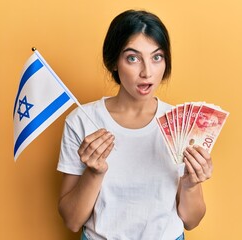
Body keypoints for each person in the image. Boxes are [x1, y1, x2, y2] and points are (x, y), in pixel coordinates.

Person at [57, 9, 213, 240]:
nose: (147, 72)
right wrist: (93, 172)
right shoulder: (81, 121)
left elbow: (192, 220)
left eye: (156, 57)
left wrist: (191, 184)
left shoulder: (180, 124)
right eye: (133, 58)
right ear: (113, 62)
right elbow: (71, 220)